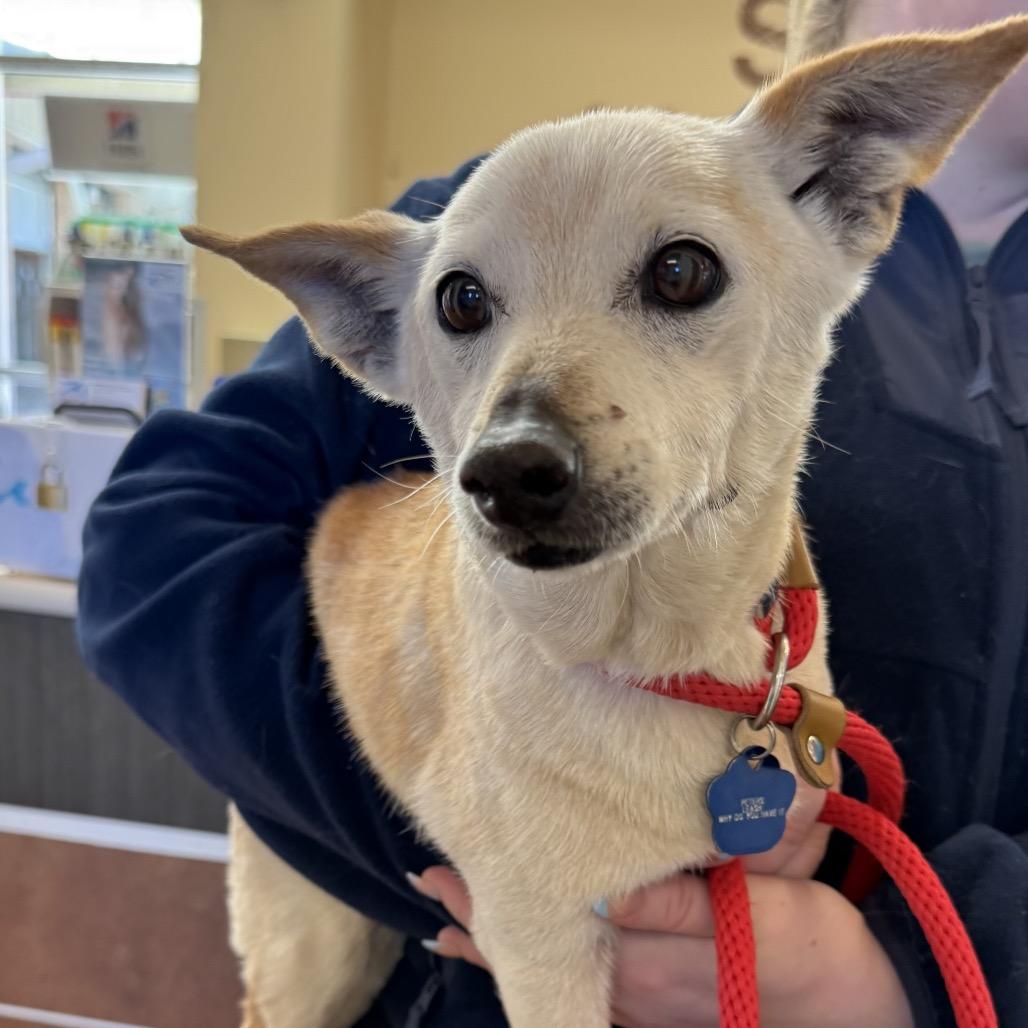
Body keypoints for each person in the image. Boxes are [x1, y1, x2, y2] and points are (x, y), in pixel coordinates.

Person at [77, 1, 1028, 1024]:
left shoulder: (781, 214)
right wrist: (510, 833)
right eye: (467, 310)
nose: (518, 442)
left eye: (676, 276)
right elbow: (150, 548)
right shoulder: (511, 209)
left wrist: (893, 972)